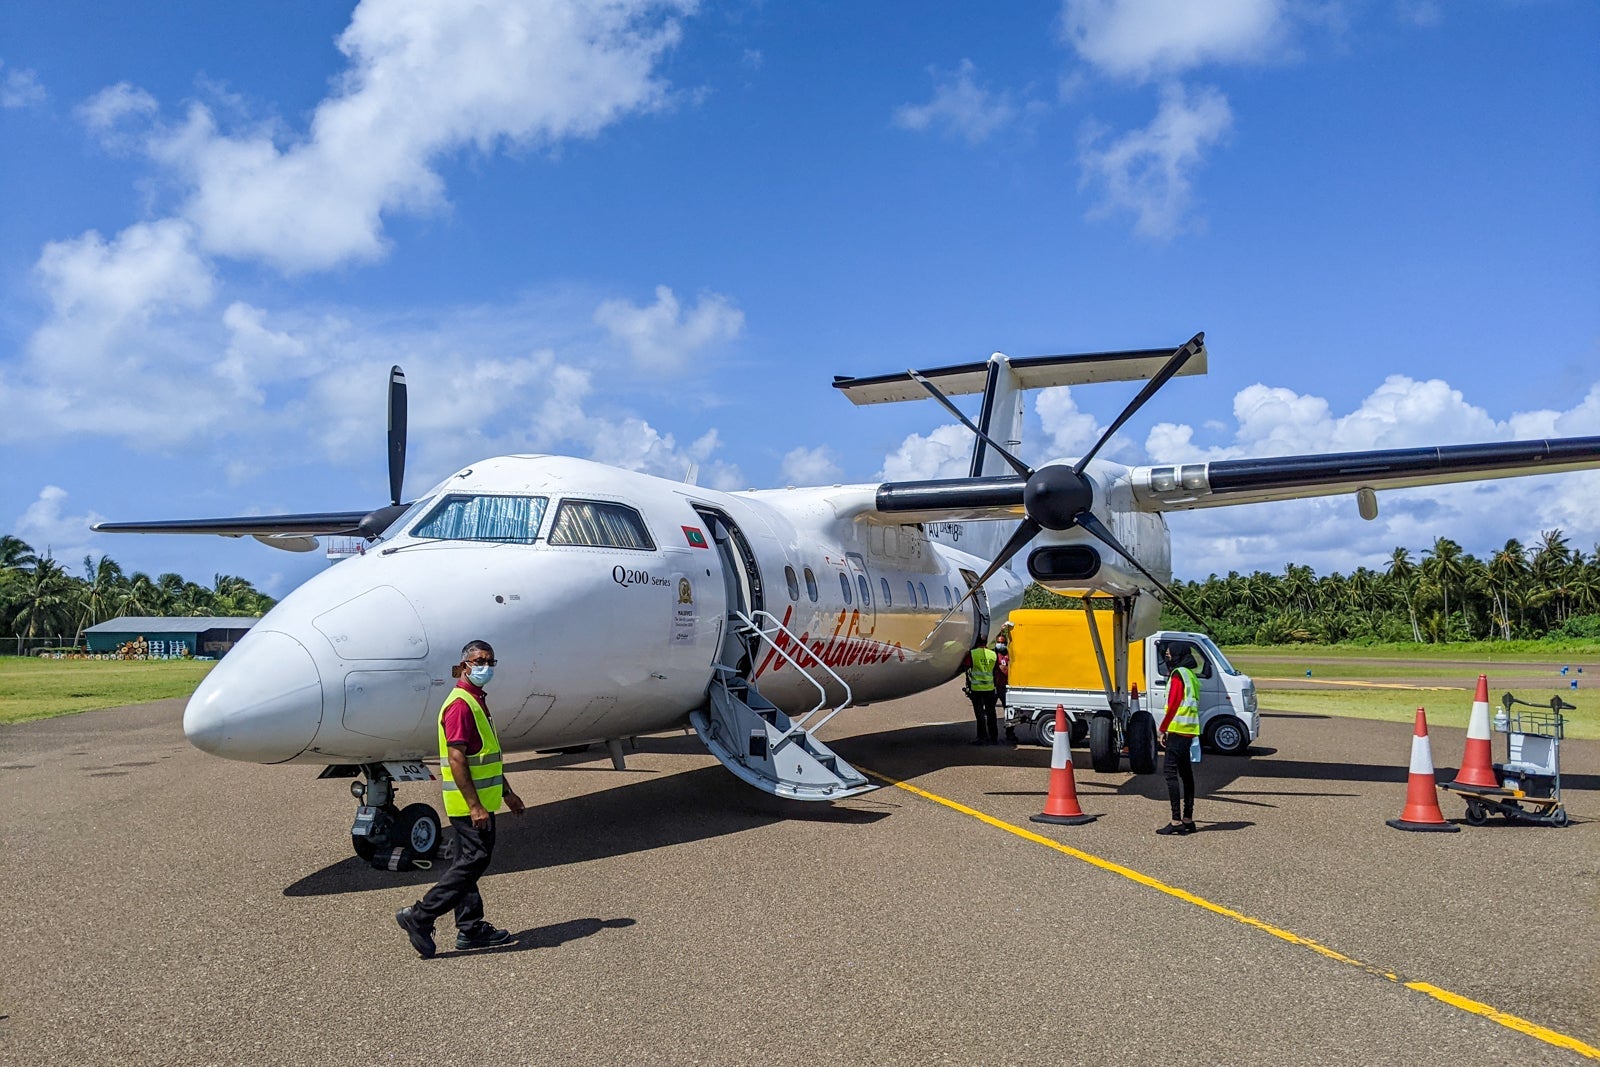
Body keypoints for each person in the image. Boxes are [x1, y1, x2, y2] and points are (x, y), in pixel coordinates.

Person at [396, 640, 526, 958]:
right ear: (464, 664)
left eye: (490, 661)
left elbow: (486, 756)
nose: (485, 666)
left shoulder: (476, 700)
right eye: (479, 660)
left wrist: (507, 792)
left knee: (465, 861)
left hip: (481, 800)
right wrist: (475, 805)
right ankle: (420, 915)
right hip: (469, 805)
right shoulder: (460, 705)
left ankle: (470, 928)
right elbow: (457, 759)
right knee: (475, 860)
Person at [1156, 646, 1201, 835]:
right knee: (1186, 774)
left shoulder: (1177, 675)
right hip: (1189, 730)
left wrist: (1162, 728)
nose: (1166, 657)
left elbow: (1174, 704)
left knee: (1170, 773)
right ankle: (1188, 819)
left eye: (1168, 654)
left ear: (1177, 656)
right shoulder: (1190, 675)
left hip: (1177, 729)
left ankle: (1176, 821)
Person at [962, 640, 1000, 745]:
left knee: (980, 714)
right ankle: (994, 737)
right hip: (990, 688)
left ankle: (982, 737)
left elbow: (965, 666)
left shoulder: (973, 654)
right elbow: (996, 670)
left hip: (977, 688)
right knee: (991, 713)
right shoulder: (993, 654)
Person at [994, 638, 1015, 744]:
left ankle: (1010, 734)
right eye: (999, 642)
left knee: (1009, 711)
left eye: (1003, 643)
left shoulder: (1009, 655)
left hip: (1005, 686)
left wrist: (1005, 669)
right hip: (993, 686)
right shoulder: (993, 654)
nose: (1000, 645)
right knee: (989, 712)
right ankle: (992, 735)